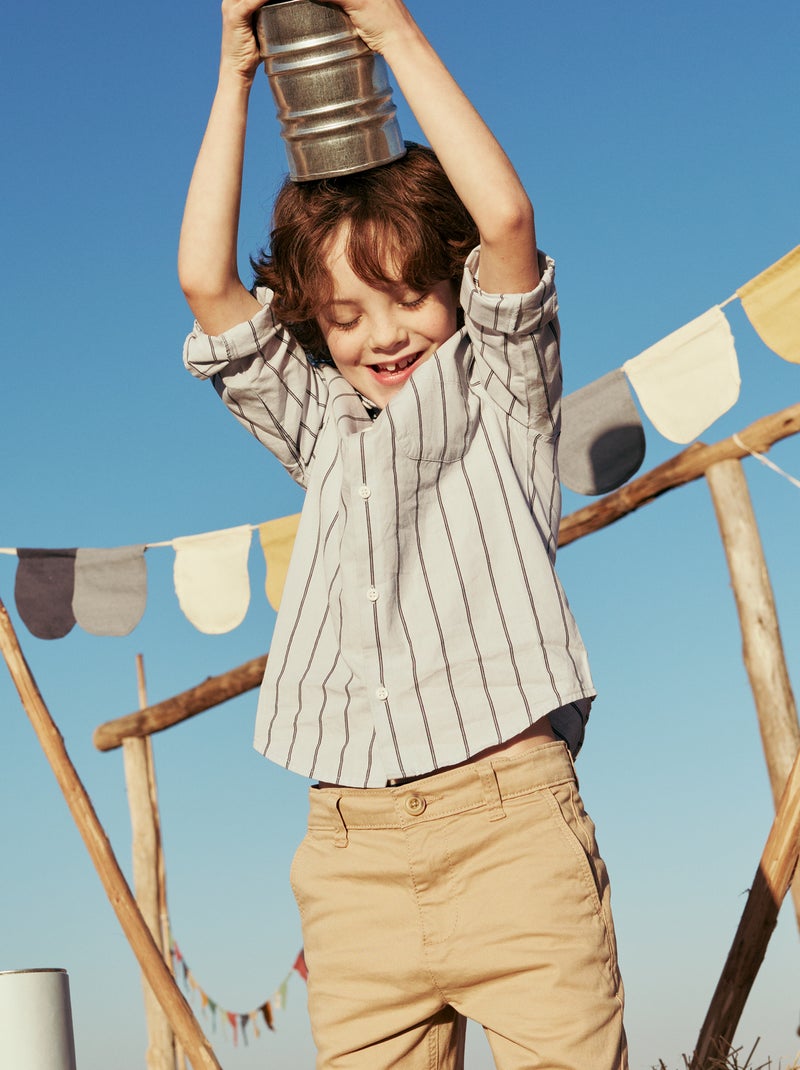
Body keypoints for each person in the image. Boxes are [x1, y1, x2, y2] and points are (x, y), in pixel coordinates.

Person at [179, 1, 628, 1067]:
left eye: (407, 296)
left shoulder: (504, 396)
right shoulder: (317, 429)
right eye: (343, 315)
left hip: (511, 830)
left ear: (451, 283)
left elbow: (507, 220)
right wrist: (235, 70)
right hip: (349, 858)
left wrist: (386, 31)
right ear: (313, 325)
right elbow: (206, 282)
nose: (381, 333)